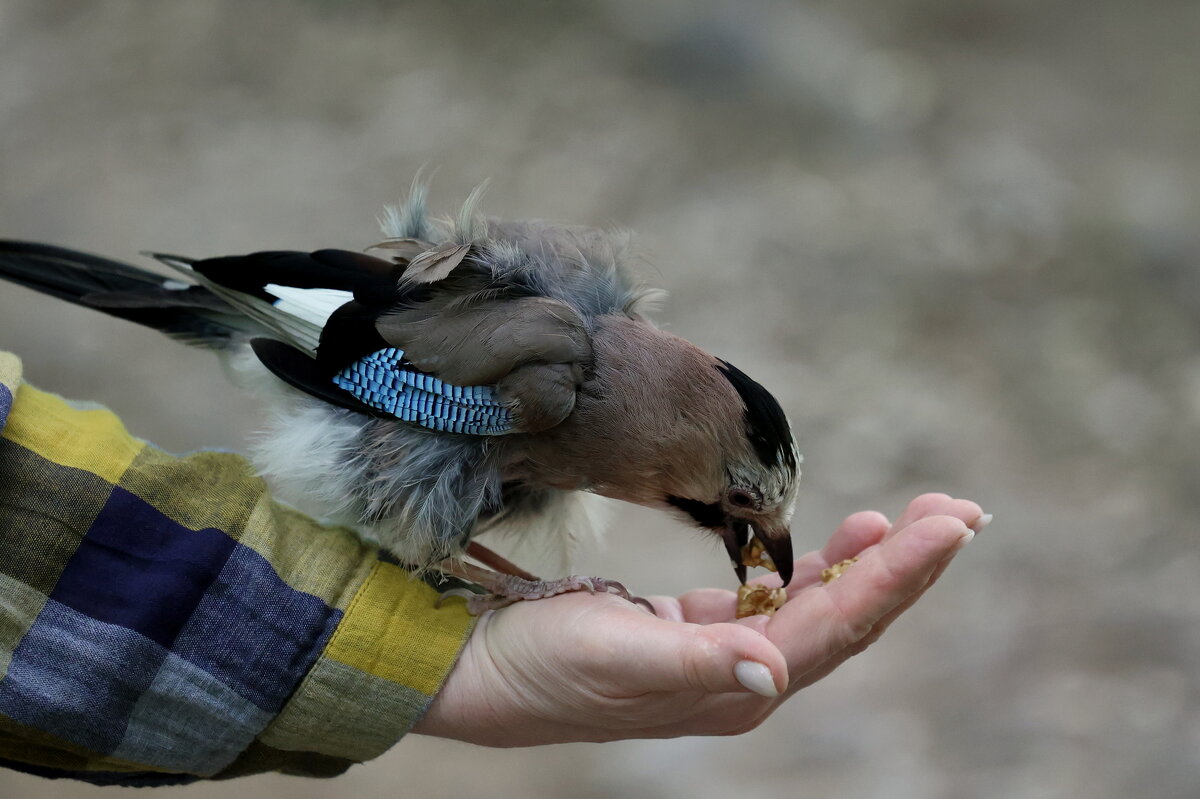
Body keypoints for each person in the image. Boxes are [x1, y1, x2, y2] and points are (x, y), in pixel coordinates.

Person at [0, 351, 985, 783]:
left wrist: (455, 655)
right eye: (737, 512)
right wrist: (470, 635)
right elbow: (359, 382)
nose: (747, 546)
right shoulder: (547, 390)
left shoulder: (590, 425)